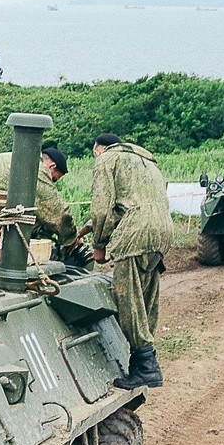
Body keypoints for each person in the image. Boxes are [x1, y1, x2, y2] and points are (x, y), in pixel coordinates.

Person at [81, 133, 172, 388]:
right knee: (146, 299)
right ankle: (143, 361)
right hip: (162, 230)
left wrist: (98, 243)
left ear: (98, 150)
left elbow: (102, 207)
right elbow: (132, 203)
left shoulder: (106, 160)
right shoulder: (146, 163)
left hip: (135, 233)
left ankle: (146, 366)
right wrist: (86, 229)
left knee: (127, 297)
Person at [0, 141, 80, 262]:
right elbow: (57, 213)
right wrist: (71, 239)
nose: (52, 182)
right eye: (54, 178)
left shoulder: (16, 158)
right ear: (52, 166)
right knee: (35, 220)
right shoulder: (38, 168)